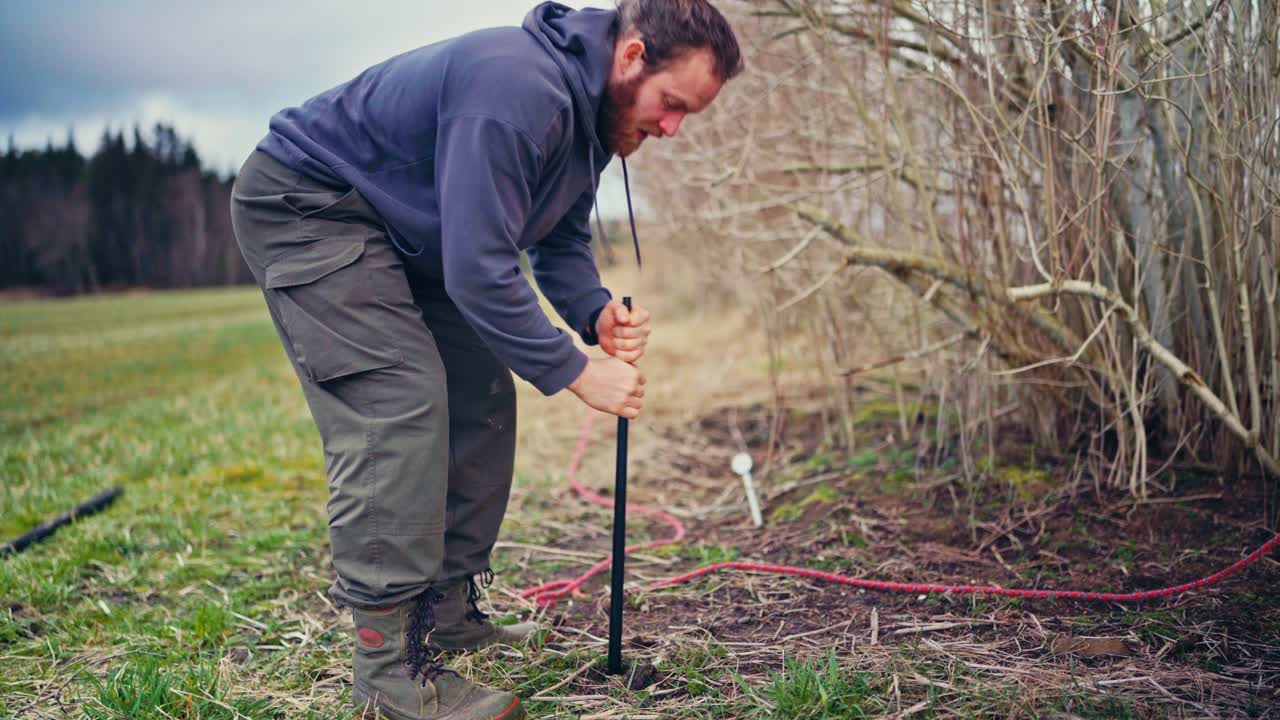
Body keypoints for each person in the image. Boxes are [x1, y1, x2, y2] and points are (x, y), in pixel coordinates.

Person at [230, 1, 741, 717]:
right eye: (672, 104)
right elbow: (478, 266)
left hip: (402, 233)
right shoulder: (519, 88)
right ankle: (388, 672)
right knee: (398, 399)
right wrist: (578, 371)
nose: (672, 128)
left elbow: (555, 240)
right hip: (310, 206)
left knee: (480, 391)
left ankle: (445, 611)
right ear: (630, 59)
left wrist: (594, 312)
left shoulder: (587, 123)